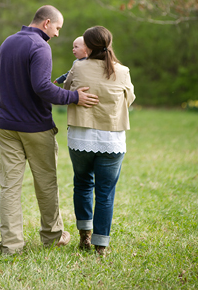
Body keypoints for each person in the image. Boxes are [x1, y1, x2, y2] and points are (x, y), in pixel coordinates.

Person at [0, 5, 99, 256]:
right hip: (34, 127)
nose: (57, 34)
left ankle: (11, 246)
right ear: (47, 22)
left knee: (9, 187)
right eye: (57, 28)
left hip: (5, 126)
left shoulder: (7, 43)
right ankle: (52, 237)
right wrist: (73, 96)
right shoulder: (40, 46)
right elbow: (42, 87)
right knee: (46, 184)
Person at [63, 25, 135, 256]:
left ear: (89, 46)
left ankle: (84, 234)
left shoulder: (78, 67)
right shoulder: (122, 71)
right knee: (105, 193)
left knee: (83, 184)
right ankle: (101, 245)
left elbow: (66, 90)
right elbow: (129, 98)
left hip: (80, 136)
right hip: (111, 139)